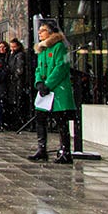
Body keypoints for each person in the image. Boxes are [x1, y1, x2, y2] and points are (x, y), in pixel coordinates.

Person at [29, 19, 76, 164]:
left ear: (50, 32)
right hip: (45, 91)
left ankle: (65, 151)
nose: (39, 33)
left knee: (61, 121)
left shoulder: (59, 47)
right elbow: (39, 68)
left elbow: (61, 68)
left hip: (58, 91)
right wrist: (39, 82)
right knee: (40, 119)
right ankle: (41, 149)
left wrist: (48, 84)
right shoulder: (42, 49)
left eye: (42, 30)